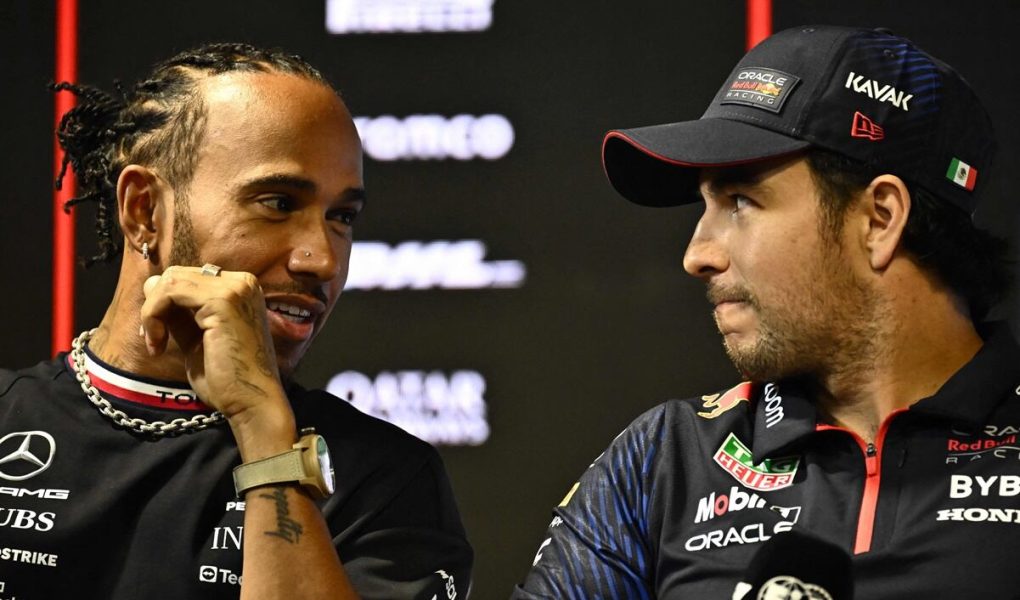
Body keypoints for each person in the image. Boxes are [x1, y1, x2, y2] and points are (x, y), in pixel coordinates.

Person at [514, 25, 1018, 598]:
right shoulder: (664, 461)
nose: (697, 255)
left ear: (879, 219)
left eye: (740, 201)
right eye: (707, 206)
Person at [0, 43, 471, 599]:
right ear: (144, 211)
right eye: (278, 203)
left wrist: (264, 430)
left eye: (342, 217)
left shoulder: (387, 481)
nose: (322, 260)